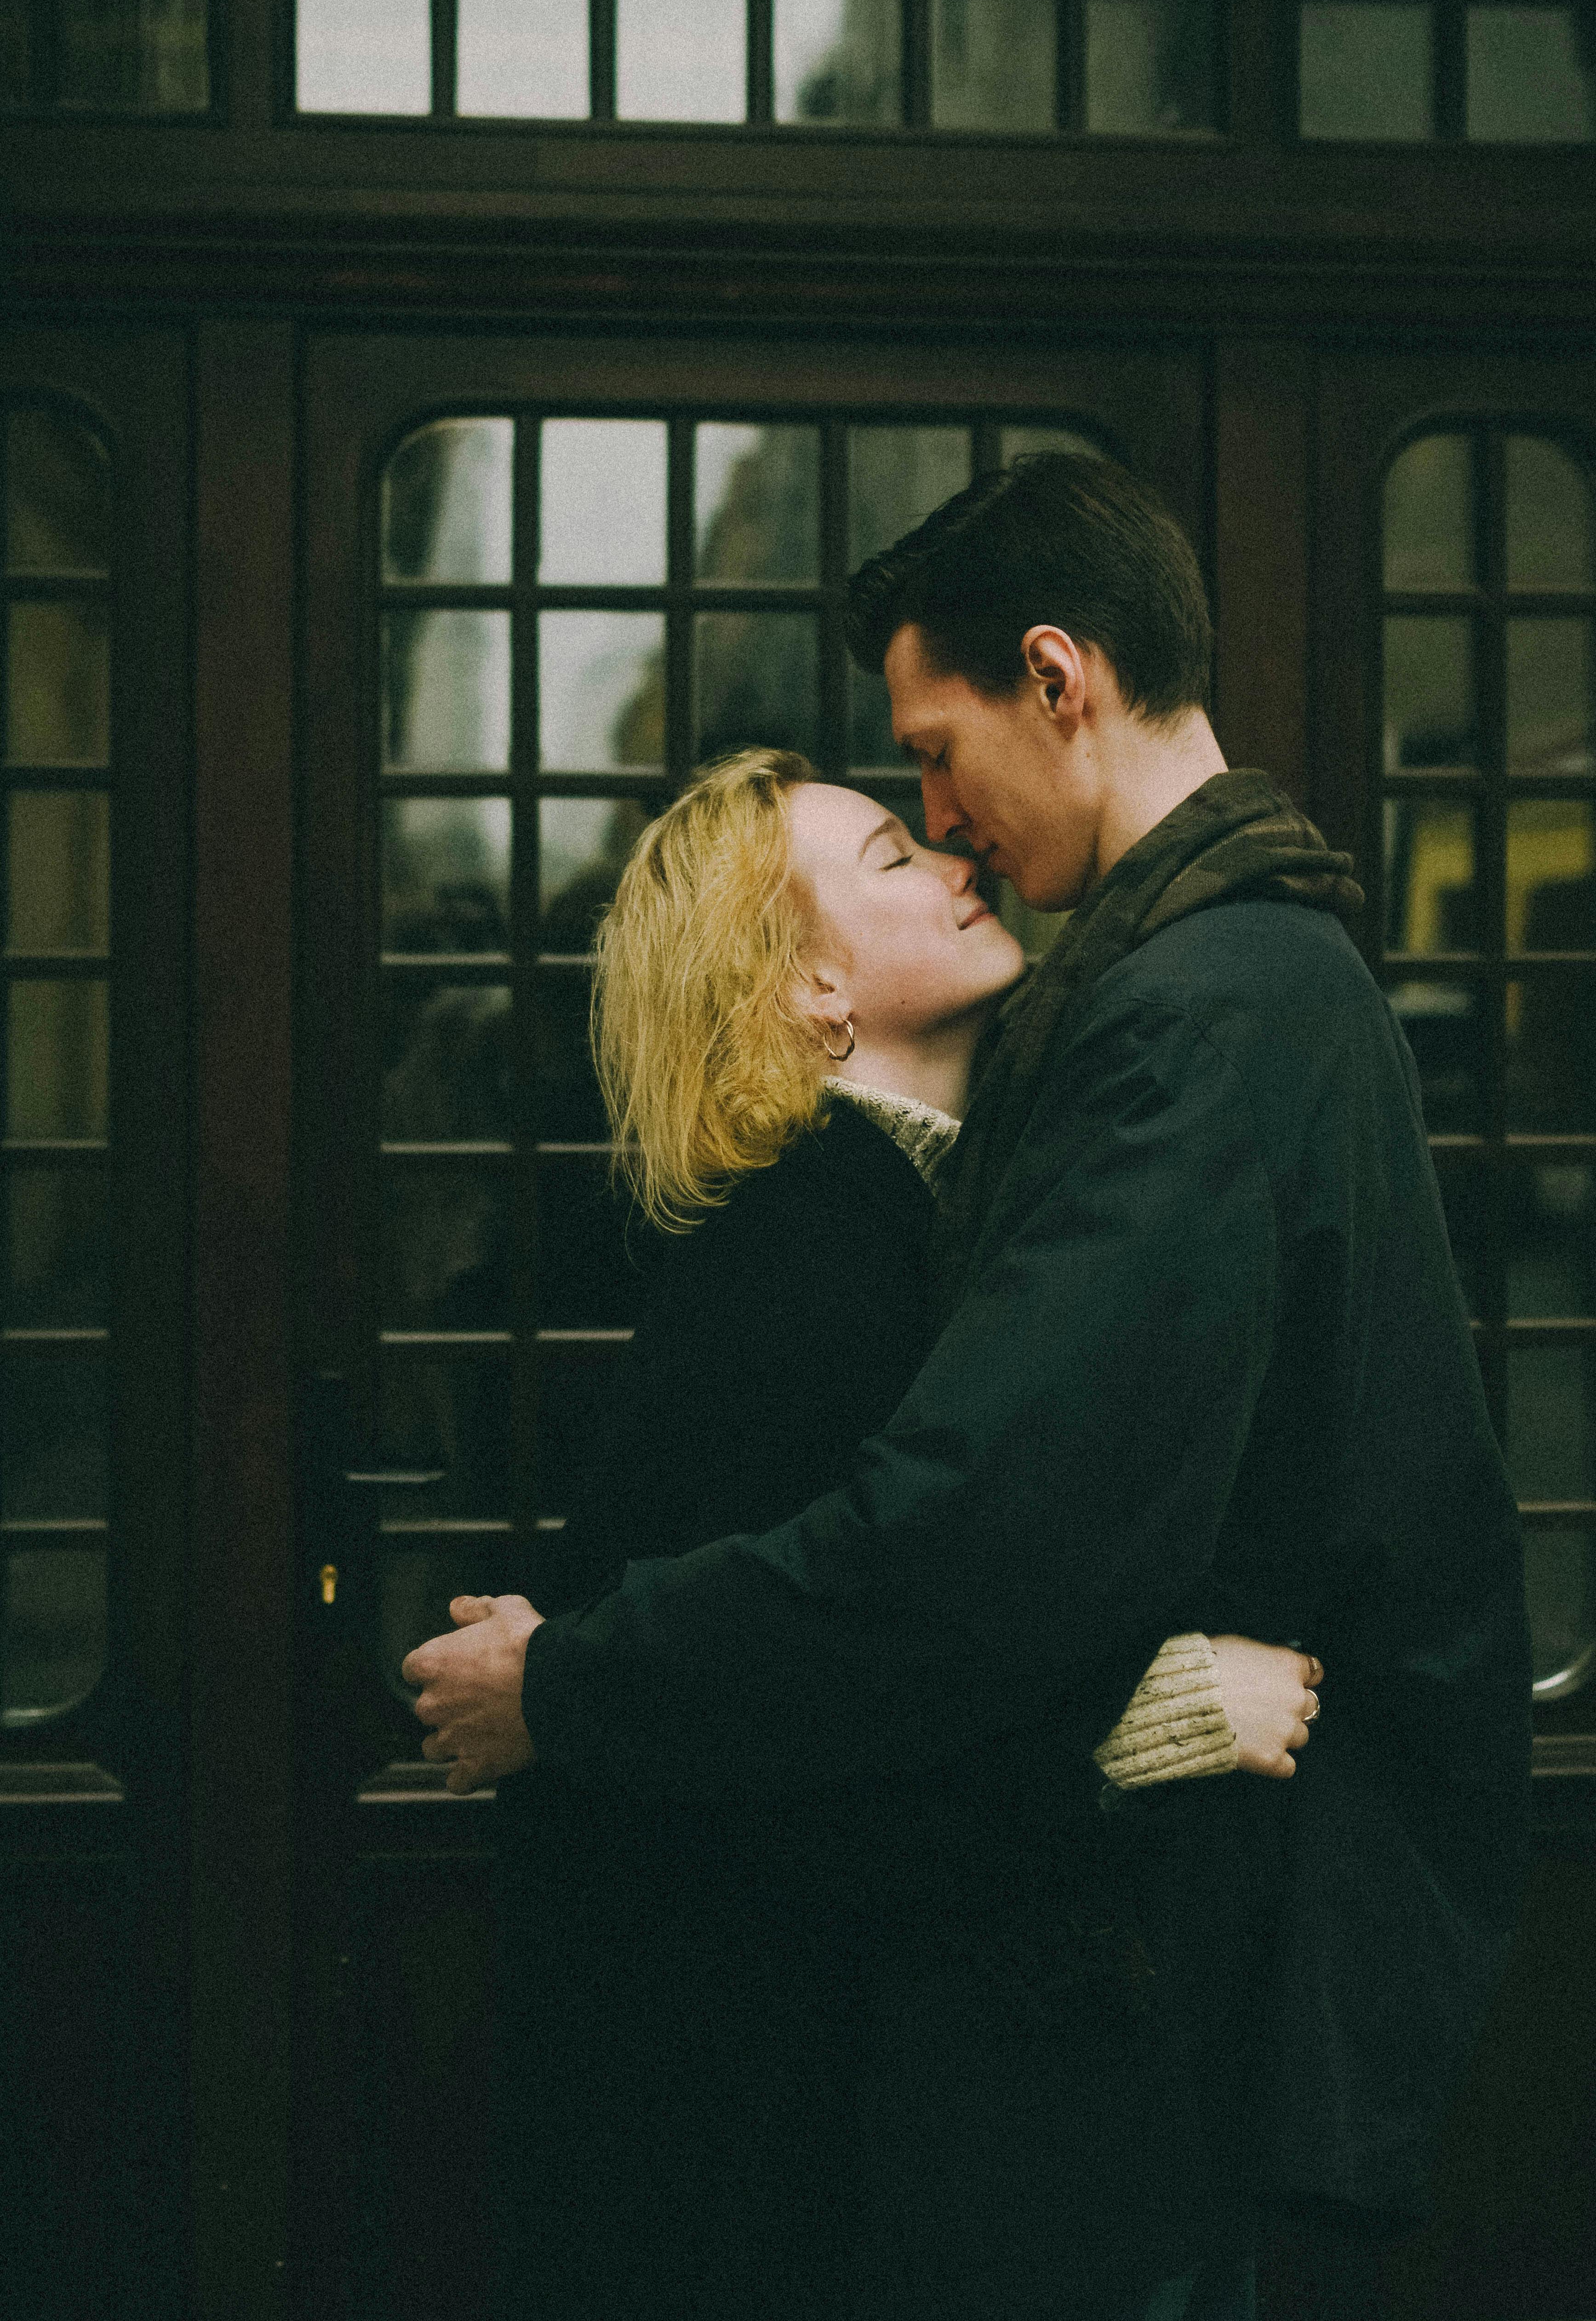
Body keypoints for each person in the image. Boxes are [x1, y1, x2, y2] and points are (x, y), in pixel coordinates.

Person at [408, 451, 1531, 2318]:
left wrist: (577, 1675)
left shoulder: (1186, 1010)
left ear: (1057, 677)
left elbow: (978, 1538)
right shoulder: (1226, 982)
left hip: (1141, 1964)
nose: (941, 817)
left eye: (934, 755)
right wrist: (1140, 1703)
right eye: (896, 823)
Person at [487, 745, 1323, 2321]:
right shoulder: (807, 1247)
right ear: (807, 986)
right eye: (890, 860)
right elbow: (775, 1714)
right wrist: (1154, 1714)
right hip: (790, 2126)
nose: (958, 858)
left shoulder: (905, 1213)